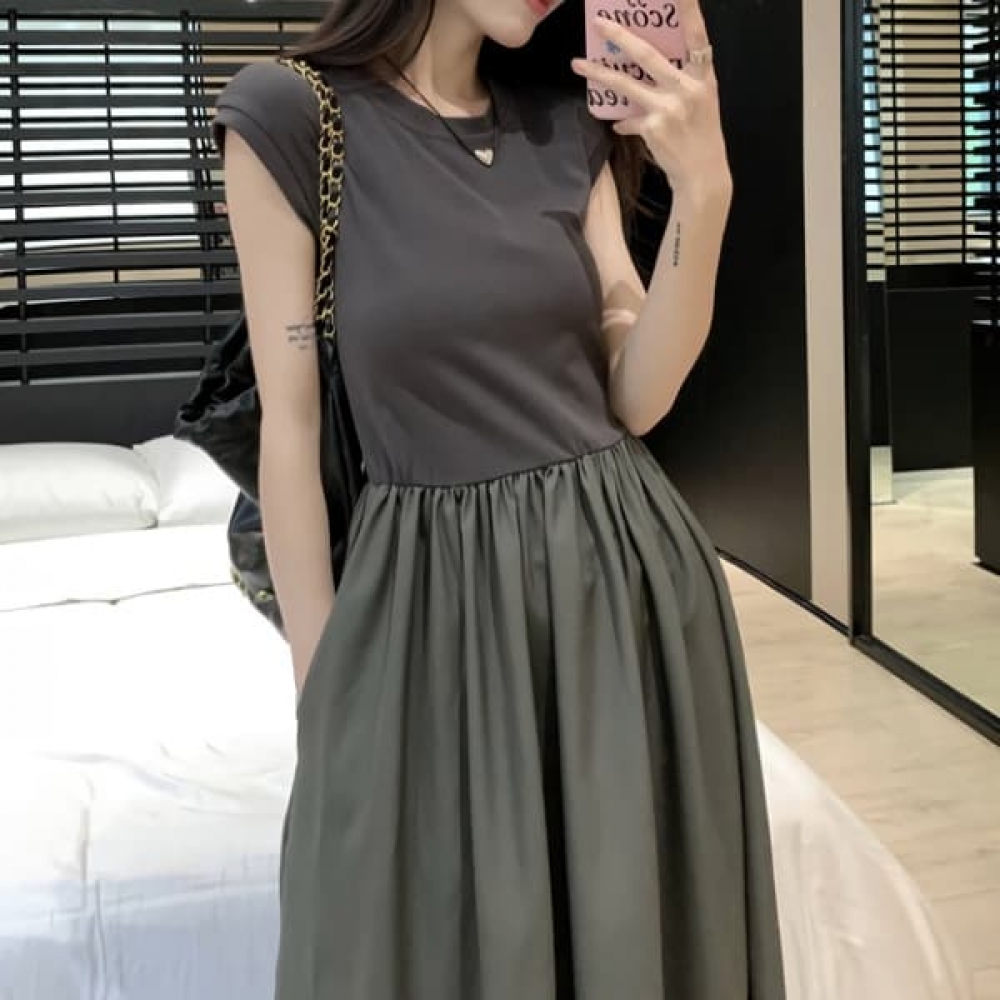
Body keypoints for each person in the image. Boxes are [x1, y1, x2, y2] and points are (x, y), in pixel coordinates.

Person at [212, 0, 786, 997]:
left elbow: (636, 396)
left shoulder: (565, 123)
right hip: (428, 609)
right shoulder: (292, 118)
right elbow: (290, 434)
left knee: (628, 934)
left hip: (622, 600)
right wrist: (324, 690)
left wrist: (705, 193)